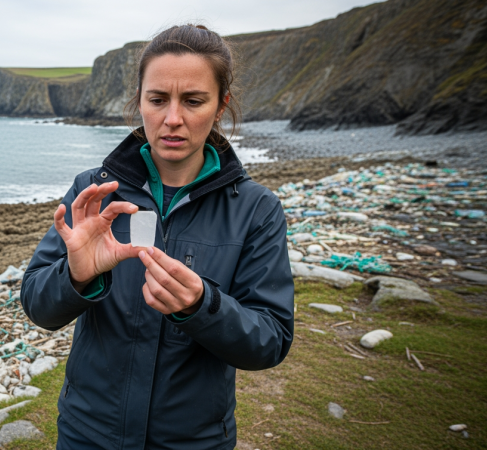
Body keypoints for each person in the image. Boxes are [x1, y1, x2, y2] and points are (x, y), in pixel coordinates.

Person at [21, 24, 294, 450]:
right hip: (87, 435)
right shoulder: (92, 192)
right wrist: (75, 277)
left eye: (193, 101)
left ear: (221, 106)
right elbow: (38, 306)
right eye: (157, 99)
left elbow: (271, 341)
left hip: (194, 441)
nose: (172, 119)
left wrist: (204, 306)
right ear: (139, 101)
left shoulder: (255, 209)